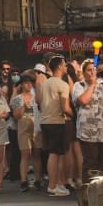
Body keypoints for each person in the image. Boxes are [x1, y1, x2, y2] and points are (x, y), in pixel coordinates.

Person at [73, 60, 103, 180]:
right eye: (89, 70)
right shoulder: (79, 86)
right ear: (83, 72)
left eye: (94, 70)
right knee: (90, 163)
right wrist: (92, 84)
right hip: (88, 132)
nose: (92, 72)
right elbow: (83, 101)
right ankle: (88, 192)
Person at [38, 55, 73, 195]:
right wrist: (74, 115)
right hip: (56, 121)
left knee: (55, 154)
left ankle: (57, 183)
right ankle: (52, 186)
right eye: (64, 64)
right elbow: (65, 107)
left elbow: (39, 101)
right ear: (59, 66)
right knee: (55, 154)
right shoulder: (62, 85)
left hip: (45, 120)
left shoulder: (45, 83)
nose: (66, 67)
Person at [10, 75, 41, 191]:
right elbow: (16, 116)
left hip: (36, 123)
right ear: (22, 84)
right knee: (25, 153)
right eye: (26, 83)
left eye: (31, 83)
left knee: (37, 153)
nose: (29, 85)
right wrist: (24, 106)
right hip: (23, 124)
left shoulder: (36, 97)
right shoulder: (18, 98)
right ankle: (23, 180)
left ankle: (38, 179)